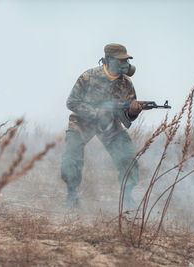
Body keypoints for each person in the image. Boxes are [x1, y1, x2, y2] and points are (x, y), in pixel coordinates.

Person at [61, 43, 142, 207]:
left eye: (126, 60)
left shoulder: (126, 83)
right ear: (108, 60)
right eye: (120, 61)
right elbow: (72, 102)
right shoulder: (88, 76)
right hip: (83, 122)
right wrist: (95, 113)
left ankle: (127, 196)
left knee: (128, 155)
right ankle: (72, 194)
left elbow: (128, 117)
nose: (124, 64)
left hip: (110, 125)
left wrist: (134, 111)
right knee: (71, 154)